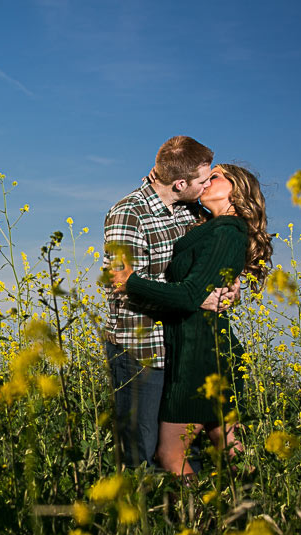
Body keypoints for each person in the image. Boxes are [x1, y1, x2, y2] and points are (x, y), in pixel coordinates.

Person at [109, 164, 272, 476]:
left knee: (171, 455)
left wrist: (130, 281)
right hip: (209, 349)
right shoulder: (211, 227)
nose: (206, 182)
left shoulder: (226, 232)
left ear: (237, 191)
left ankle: (196, 519)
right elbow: (169, 188)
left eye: (216, 176)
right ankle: (261, 506)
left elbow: (188, 295)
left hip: (200, 358)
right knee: (229, 448)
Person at [102, 135, 236, 470]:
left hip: (182, 347)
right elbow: (124, 287)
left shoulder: (190, 209)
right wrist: (193, 300)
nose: (208, 185)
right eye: (204, 180)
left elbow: (205, 268)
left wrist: (228, 290)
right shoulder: (128, 215)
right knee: (142, 453)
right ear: (180, 183)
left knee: (183, 448)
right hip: (141, 350)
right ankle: (142, 520)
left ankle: (190, 518)